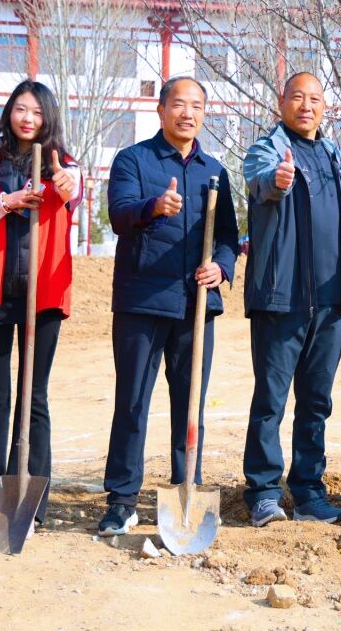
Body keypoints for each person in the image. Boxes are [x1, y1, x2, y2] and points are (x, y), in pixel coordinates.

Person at [98, 77, 239, 536]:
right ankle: (122, 500)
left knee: (190, 404)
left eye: (196, 105)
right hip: (142, 300)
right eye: (179, 104)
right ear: (161, 110)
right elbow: (119, 215)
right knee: (132, 402)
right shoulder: (133, 160)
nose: (187, 113)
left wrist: (221, 267)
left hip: (196, 305)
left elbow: (228, 237)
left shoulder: (215, 171)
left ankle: (186, 490)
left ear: (204, 114)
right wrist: (154, 206)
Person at [240, 71, 341, 526]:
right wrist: (278, 181)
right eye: (297, 97)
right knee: (271, 400)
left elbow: (327, 217)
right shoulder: (267, 150)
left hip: (330, 298)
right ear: (281, 102)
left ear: (324, 107)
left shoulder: (333, 154)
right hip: (282, 298)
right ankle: (263, 492)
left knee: (317, 401)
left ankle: (309, 491)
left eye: (315, 99)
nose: (306, 106)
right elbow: (261, 184)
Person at [0, 80, 81, 541]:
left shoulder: (65, 167)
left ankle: (29, 505)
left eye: (37, 112)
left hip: (42, 297)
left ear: (49, 119)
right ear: (9, 113)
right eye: (21, 109)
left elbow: (73, 195)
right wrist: (3, 203)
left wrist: (65, 185)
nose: (28, 118)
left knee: (35, 399)